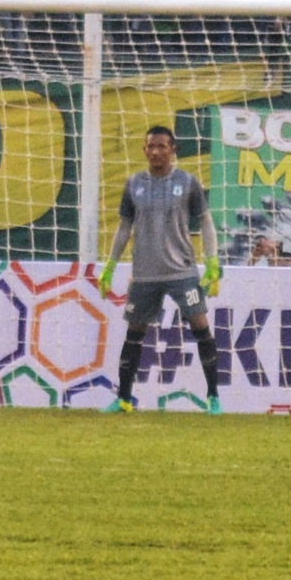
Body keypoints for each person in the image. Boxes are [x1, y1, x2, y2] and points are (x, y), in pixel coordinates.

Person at [99, 124, 223, 413]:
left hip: (182, 271)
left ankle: (213, 397)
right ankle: (124, 399)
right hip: (145, 273)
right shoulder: (134, 184)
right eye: (150, 147)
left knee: (200, 327)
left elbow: (205, 221)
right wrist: (110, 265)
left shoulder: (188, 182)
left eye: (161, 147)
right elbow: (124, 227)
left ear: (173, 150)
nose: (155, 152)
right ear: (144, 150)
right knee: (135, 333)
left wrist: (213, 261)